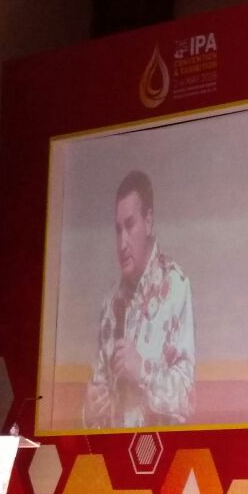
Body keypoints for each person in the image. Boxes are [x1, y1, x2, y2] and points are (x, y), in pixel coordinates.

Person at [83, 170, 196, 428]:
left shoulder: (176, 287)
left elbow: (187, 399)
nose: (122, 243)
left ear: (148, 221)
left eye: (130, 225)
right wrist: (90, 408)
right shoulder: (110, 304)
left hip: (166, 450)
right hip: (113, 451)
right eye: (118, 229)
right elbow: (97, 395)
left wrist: (142, 370)